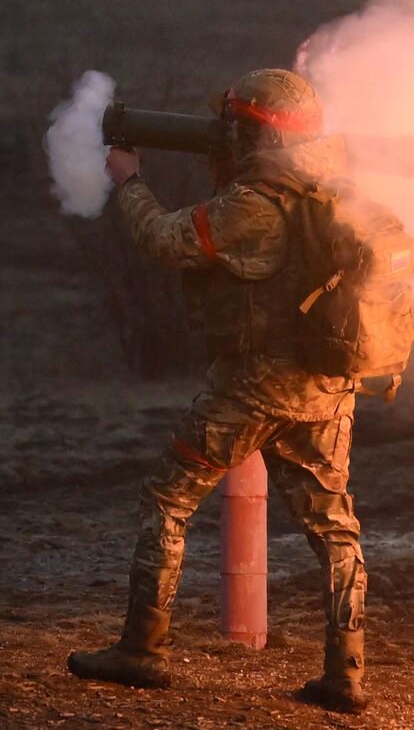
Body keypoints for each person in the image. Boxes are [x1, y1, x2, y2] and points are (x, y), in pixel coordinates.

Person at [67, 69, 370, 714]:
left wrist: (130, 181)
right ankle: (346, 673)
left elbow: (164, 240)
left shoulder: (255, 204)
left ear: (254, 133)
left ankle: (142, 651)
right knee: (334, 526)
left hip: (254, 389)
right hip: (326, 386)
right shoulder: (336, 190)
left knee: (168, 497)